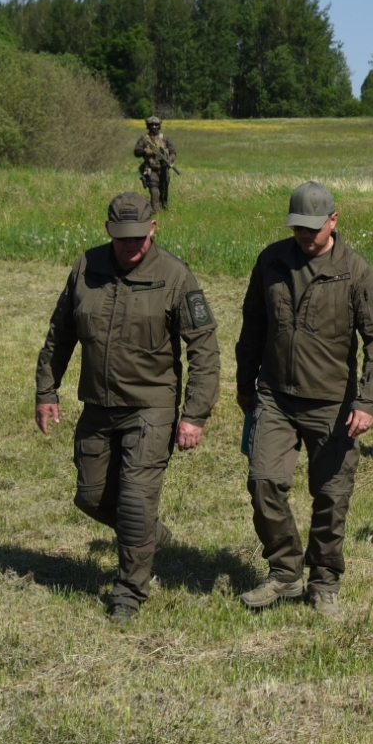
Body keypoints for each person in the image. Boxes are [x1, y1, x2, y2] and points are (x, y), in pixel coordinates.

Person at [34, 192, 220, 623]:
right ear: (108, 231)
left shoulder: (175, 275)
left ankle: (129, 592)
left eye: (139, 236)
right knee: (90, 496)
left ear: (153, 228)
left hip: (151, 406)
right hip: (98, 405)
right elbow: (60, 333)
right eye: (122, 237)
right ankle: (149, 534)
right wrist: (46, 391)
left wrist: (194, 414)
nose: (132, 244)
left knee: (135, 501)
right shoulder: (86, 267)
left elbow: (204, 348)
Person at [234, 182, 373, 618]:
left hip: (333, 404)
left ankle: (324, 581)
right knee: (263, 482)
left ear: (333, 220)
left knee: (331, 496)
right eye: (298, 227)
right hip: (275, 396)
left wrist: (367, 401)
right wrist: (245, 383)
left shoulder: (355, 271)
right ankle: (285, 571)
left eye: (313, 227)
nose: (305, 235)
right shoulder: (271, 261)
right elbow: (253, 325)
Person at [134, 117, 177, 212]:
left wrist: (169, 160)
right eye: (152, 125)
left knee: (164, 192)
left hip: (164, 169)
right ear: (148, 126)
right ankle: (156, 212)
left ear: (159, 126)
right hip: (151, 170)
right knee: (154, 192)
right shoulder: (144, 139)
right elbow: (136, 152)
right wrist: (146, 151)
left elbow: (173, 152)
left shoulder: (165, 139)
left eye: (156, 125)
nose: (154, 126)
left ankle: (164, 209)